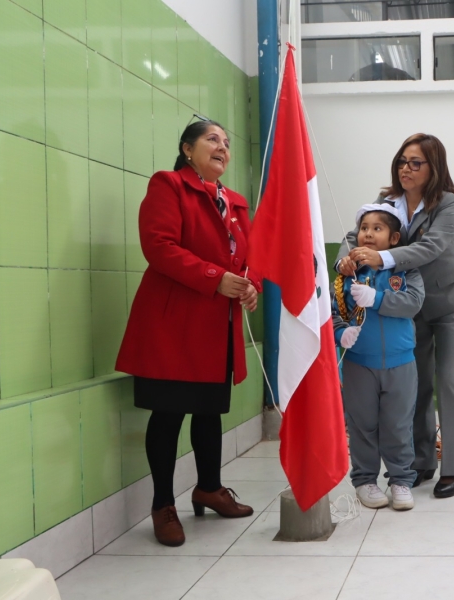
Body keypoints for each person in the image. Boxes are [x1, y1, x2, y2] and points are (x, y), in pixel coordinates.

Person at [116, 119, 260, 547]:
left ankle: (209, 488)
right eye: (212, 140)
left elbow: (244, 257)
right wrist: (216, 277)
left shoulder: (233, 201)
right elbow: (158, 245)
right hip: (172, 324)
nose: (222, 148)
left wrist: (247, 284)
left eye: (227, 143)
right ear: (186, 148)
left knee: (209, 410)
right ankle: (163, 504)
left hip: (217, 325)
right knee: (169, 413)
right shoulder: (169, 185)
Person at [336, 133, 454, 499]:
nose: (406, 169)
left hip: (448, 304)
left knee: (447, 380)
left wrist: (382, 258)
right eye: (402, 161)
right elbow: (355, 235)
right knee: (416, 386)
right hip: (406, 307)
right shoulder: (387, 200)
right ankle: (421, 461)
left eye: (416, 163)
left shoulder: (447, 203)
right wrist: (344, 259)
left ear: (434, 168)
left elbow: (433, 246)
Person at [333, 204, 424, 511]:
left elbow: (413, 302)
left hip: (401, 362)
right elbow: (334, 312)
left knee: (398, 424)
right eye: (364, 228)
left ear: (394, 237)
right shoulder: (348, 272)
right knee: (362, 425)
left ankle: (400, 480)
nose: (368, 234)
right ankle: (365, 480)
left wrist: (378, 299)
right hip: (360, 362)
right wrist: (340, 334)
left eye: (377, 228)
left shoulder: (405, 268)